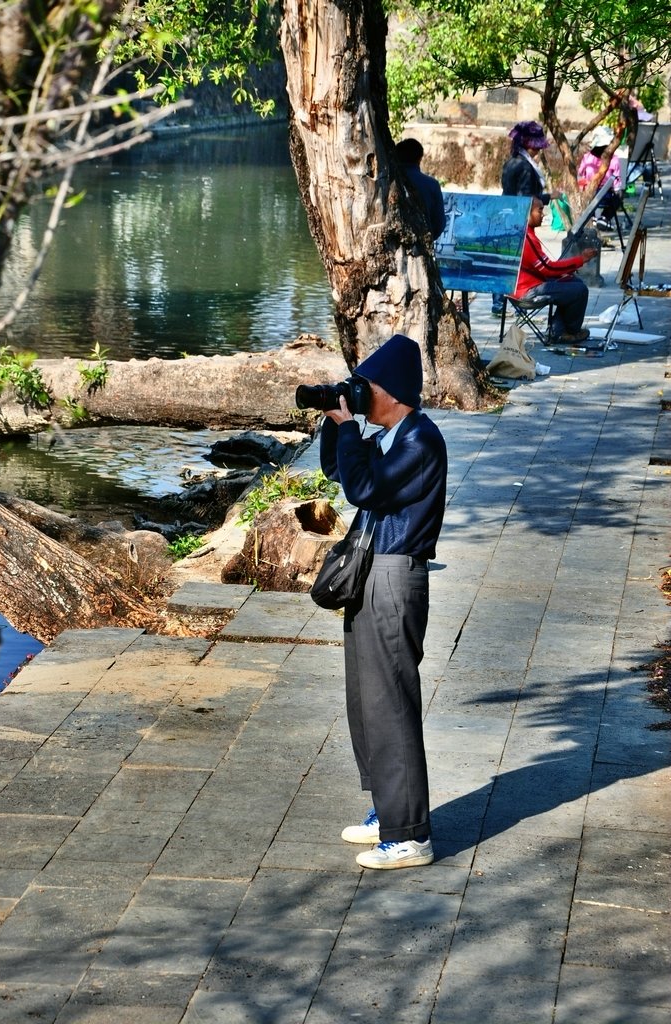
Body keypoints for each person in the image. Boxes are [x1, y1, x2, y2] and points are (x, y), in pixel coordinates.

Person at [320, 333, 447, 870]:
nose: (361, 394)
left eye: (366, 386)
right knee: (365, 698)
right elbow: (339, 473)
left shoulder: (420, 440)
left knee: (391, 702)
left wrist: (351, 429)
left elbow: (364, 492)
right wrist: (336, 425)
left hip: (395, 577)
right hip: (372, 573)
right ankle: (386, 810)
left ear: (390, 390)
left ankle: (410, 835)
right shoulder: (393, 434)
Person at [491, 120, 562, 316]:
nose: (537, 151)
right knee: (514, 264)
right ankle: (506, 304)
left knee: (505, 262)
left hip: (506, 216)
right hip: (518, 219)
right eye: (535, 147)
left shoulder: (511, 161)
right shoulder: (524, 167)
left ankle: (499, 304)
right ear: (527, 145)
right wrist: (548, 197)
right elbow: (525, 199)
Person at [512, 197, 597, 343]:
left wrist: (565, 272)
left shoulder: (524, 232)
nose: (543, 215)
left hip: (529, 284)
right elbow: (547, 268)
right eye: (540, 210)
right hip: (526, 290)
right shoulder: (526, 238)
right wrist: (580, 259)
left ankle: (558, 331)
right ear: (527, 213)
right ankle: (568, 332)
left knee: (571, 281)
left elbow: (544, 267)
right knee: (580, 290)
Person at [395, 138, 446, 241]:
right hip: (421, 247)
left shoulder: (388, 182)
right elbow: (439, 223)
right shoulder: (432, 185)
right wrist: (426, 239)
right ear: (420, 158)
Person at [577, 126, 623, 230]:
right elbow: (616, 185)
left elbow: (580, 173)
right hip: (605, 197)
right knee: (619, 197)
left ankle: (593, 216)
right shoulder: (614, 159)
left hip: (587, 195)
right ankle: (605, 217)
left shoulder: (587, 157)